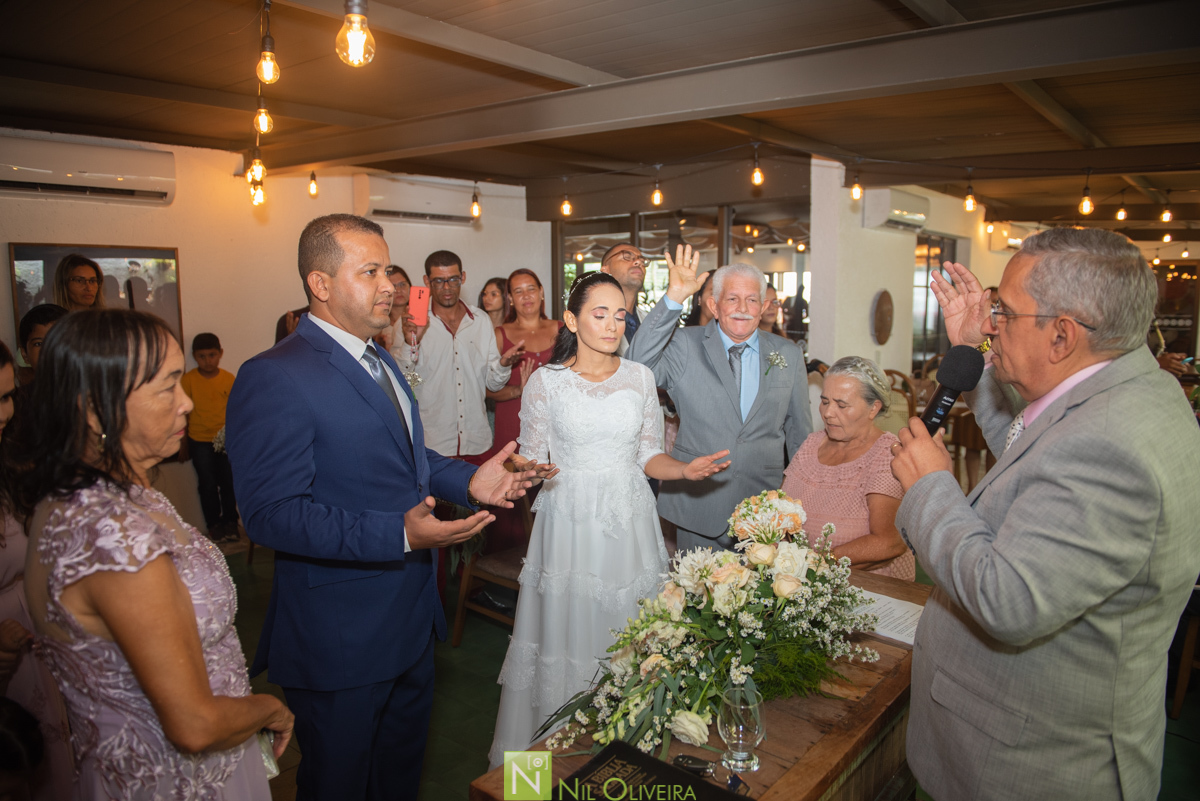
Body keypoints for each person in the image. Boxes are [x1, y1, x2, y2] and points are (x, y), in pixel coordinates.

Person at [224, 214, 548, 801]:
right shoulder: (275, 375)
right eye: (369, 272)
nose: (390, 288)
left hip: (408, 620)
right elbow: (271, 513)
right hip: (341, 634)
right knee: (340, 785)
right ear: (320, 284)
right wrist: (397, 535)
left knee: (397, 779)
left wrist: (473, 480)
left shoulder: (379, 358)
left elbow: (407, 457)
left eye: (388, 271)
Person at [889, 227, 1200, 800]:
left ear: (1061, 335)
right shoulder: (1125, 389)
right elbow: (1027, 447)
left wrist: (932, 487)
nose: (989, 325)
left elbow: (1010, 600)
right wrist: (979, 354)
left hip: (1030, 766)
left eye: (1003, 312)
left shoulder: (1112, 443)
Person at [7, 310, 293, 800]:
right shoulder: (113, 537)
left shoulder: (110, 497)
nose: (185, 403)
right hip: (173, 778)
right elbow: (194, 724)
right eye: (166, 388)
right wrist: (271, 709)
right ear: (96, 409)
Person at [488, 273, 729, 766]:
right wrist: (528, 470)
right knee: (565, 636)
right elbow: (528, 458)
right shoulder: (545, 383)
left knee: (631, 634)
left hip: (629, 519)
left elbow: (647, 455)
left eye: (620, 314)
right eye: (600, 313)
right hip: (569, 521)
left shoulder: (640, 377)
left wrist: (683, 469)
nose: (613, 324)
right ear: (572, 320)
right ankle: (549, 767)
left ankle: (627, 756)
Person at [628, 246, 811, 552]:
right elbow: (636, 366)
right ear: (714, 305)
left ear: (764, 305)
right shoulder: (686, 344)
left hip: (764, 512)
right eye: (732, 299)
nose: (743, 307)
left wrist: (797, 500)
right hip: (699, 505)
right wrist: (674, 296)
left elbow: (799, 432)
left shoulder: (788, 354)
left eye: (752, 299)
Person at [780, 356, 912, 579]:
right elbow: (782, 509)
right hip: (803, 581)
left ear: (873, 408)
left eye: (841, 405)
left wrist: (819, 564)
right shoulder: (812, 443)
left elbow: (889, 543)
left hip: (871, 588)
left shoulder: (887, 455)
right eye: (824, 401)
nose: (828, 413)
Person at [394, 250, 522, 462]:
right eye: (439, 281)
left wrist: (502, 365)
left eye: (453, 279)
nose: (447, 288)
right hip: (433, 444)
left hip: (477, 441)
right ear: (427, 281)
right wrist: (410, 342)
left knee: (480, 496)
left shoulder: (480, 320)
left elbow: (493, 384)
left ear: (462, 277)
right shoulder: (410, 323)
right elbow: (405, 381)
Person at [486, 269, 562, 552]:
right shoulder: (500, 335)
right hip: (512, 425)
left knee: (555, 492)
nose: (526, 295)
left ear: (542, 292)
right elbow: (487, 390)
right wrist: (522, 389)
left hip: (557, 425)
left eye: (531, 288)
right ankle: (504, 578)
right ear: (510, 299)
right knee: (513, 497)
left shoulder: (562, 329)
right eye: (518, 291)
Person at [181, 332, 240, 543]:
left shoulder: (228, 378)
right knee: (207, 484)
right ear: (195, 357)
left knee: (228, 482)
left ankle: (231, 523)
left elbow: (236, 410)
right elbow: (183, 414)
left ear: (220, 354)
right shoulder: (188, 381)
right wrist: (183, 443)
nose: (208, 361)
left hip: (225, 441)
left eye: (212, 355)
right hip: (199, 441)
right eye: (202, 356)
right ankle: (214, 525)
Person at [599, 243, 646, 354]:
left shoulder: (649, 320)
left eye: (642, 261)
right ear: (606, 271)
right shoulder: (592, 321)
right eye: (627, 257)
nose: (638, 262)